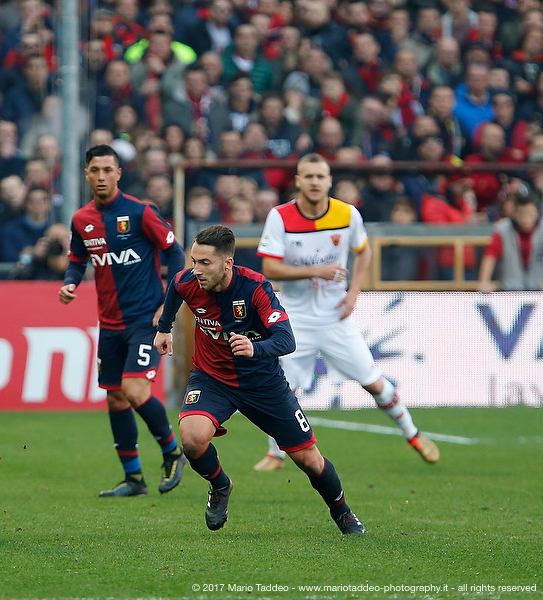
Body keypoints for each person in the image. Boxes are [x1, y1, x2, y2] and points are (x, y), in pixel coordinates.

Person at [153, 225, 365, 534]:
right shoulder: (188, 281)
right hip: (212, 379)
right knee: (192, 438)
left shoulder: (255, 288)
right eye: (194, 261)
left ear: (227, 263)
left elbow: (286, 340)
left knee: (309, 460)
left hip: (263, 384)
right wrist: (164, 327)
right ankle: (220, 485)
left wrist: (256, 348)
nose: (195, 270)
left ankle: (342, 511)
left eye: (204, 263)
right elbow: (174, 288)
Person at [253, 153, 440, 472]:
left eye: (320, 176)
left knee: (372, 381)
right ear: (298, 181)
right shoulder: (280, 217)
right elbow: (269, 266)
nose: (314, 182)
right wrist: (317, 272)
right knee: (282, 387)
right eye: (308, 176)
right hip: (295, 318)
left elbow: (363, 250)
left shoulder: (347, 214)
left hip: (335, 317)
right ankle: (276, 453)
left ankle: (413, 434)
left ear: (329, 181)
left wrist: (354, 292)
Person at [59, 144, 187, 497]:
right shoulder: (81, 220)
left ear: (119, 173)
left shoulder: (141, 212)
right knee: (115, 398)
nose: (101, 176)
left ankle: (173, 452)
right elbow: (76, 259)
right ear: (86, 174)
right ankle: (134, 479)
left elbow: (175, 252)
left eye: (107, 170)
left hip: (146, 320)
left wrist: (169, 305)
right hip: (110, 324)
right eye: (95, 170)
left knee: (134, 390)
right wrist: (70, 282)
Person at [478, 195, 543, 292]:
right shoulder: (502, 230)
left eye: (530, 214)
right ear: (515, 213)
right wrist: (484, 281)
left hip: (539, 291)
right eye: (522, 214)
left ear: (536, 213)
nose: (526, 218)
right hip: (510, 292)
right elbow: (490, 255)